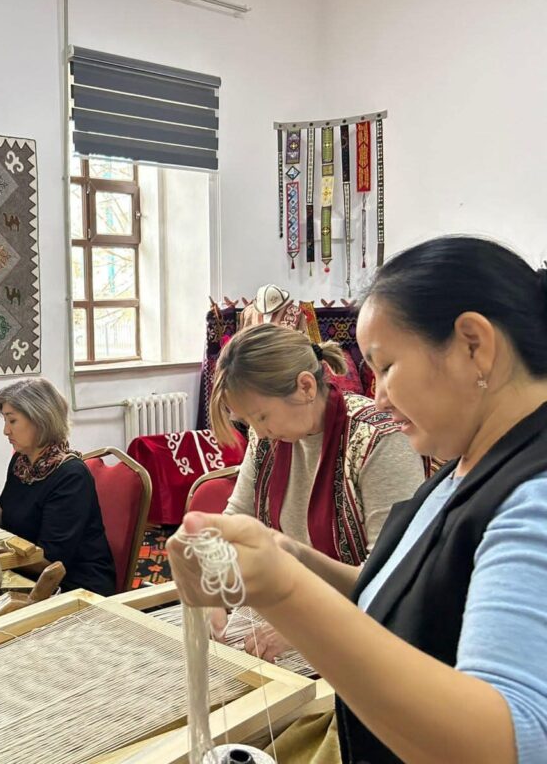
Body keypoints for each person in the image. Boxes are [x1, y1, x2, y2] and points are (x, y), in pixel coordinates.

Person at [169, 236, 547, 763]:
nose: (380, 395)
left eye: (386, 367)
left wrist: (289, 595)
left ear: (473, 345)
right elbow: (388, 593)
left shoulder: (533, 496)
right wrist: (288, 554)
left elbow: (509, 743)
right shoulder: (464, 469)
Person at [208, 323, 425, 661]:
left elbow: (389, 579)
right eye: (249, 422)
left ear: (306, 386)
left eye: (262, 416)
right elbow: (235, 520)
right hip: (287, 609)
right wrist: (212, 590)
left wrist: (307, 624)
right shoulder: (266, 439)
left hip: (363, 632)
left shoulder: (378, 440)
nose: (259, 433)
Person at [0, 378, 115, 597]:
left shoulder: (71, 476)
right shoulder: (21, 463)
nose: (6, 431)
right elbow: (7, 521)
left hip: (74, 585)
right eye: (5, 421)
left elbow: (50, 561)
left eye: (12, 421)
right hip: (29, 574)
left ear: (40, 419)